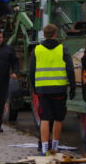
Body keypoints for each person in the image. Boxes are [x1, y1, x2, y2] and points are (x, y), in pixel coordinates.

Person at [29, 23, 76, 155]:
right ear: (55, 34)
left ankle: (44, 148)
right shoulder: (62, 49)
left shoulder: (36, 50)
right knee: (58, 118)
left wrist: (35, 87)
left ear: (44, 35)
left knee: (45, 118)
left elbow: (31, 72)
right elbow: (70, 69)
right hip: (59, 89)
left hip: (43, 90)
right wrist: (72, 87)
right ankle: (55, 146)